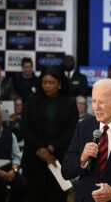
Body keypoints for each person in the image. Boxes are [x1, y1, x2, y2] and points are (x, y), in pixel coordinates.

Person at [21, 66, 79, 202]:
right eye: (44, 82)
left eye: (51, 83)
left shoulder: (69, 103)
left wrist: (52, 148)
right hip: (35, 158)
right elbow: (26, 127)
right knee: (34, 196)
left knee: (56, 197)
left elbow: (72, 130)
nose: (47, 86)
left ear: (59, 84)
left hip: (58, 158)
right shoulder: (32, 100)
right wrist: (40, 149)